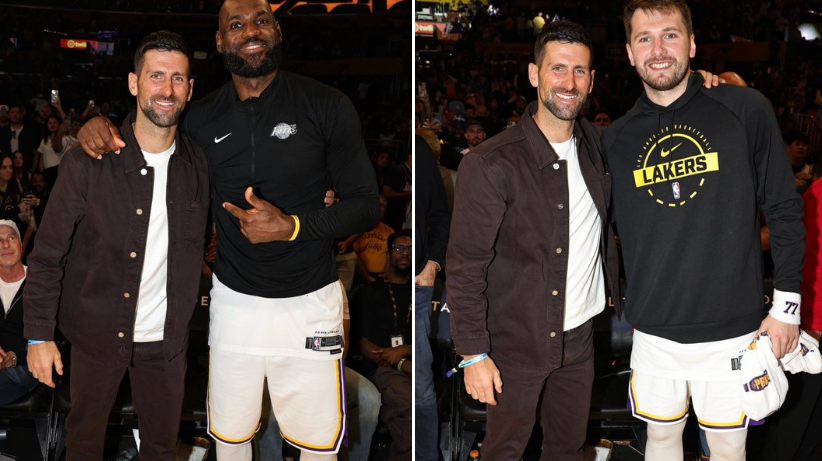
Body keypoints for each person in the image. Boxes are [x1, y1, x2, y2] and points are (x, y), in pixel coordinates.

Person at [76, 1, 379, 459]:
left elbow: (365, 205)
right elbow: (147, 135)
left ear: (277, 30)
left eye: (261, 20)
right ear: (220, 41)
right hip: (234, 304)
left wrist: (293, 227)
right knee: (231, 444)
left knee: (319, 449)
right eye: (236, 24)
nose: (250, 31)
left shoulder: (326, 104)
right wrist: (96, 127)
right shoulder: (199, 119)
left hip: (310, 302)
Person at [601, 1, 804, 460]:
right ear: (629, 52)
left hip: (733, 329)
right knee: (659, 441)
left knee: (729, 449)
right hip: (653, 331)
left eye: (670, 35)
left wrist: (787, 308)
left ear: (692, 45)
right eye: (644, 39)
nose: (658, 49)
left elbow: (784, 209)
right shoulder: (615, 139)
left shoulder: (745, 109)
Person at [24, 31, 210, 461]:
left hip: (166, 343)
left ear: (190, 88)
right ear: (133, 83)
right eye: (156, 76)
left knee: (161, 450)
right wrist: (38, 336)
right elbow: (47, 254)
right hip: (95, 333)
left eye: (178, 78)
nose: (167, 89)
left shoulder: (199, 166)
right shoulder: (88, 160)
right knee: (84, 445)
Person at [446, 20, 622, 460]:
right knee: (503, 452)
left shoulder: (600, 145)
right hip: (514, 342)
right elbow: (465, 266)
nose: (569, 82)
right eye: (557, 68)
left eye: (579, 71)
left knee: (567, 450)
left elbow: (657, 119)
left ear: (592, 80)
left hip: (579, 339)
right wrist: (473, 354)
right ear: (534, 74)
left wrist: (703, 85)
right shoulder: (490, 163)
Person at [750, 148, 822, 461]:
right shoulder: (817, 194)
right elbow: (801, 253)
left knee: (810, 430)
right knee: (791, 428)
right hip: (809, 328)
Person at [352, 230, 412, 461]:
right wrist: (401, 363)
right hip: (380, 369)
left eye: (410, 249)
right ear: (388, 255)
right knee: (412, 403)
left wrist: (405, 351)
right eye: (399, 248)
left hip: (419, 367)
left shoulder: (424, 294)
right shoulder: (368, 292)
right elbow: (361, 343)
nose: (404, 253)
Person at [414, 135, 450, 461]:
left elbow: (440, 214)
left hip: (417, 284)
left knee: (420, 385)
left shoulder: (421, 150)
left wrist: (432, 265)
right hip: (368, 280)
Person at [0, 220, 38, 406]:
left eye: (11, 237)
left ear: (21, 245)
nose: (5, 245)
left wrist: (15, 356)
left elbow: (55, 335)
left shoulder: (41, 284)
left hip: (28, 366)